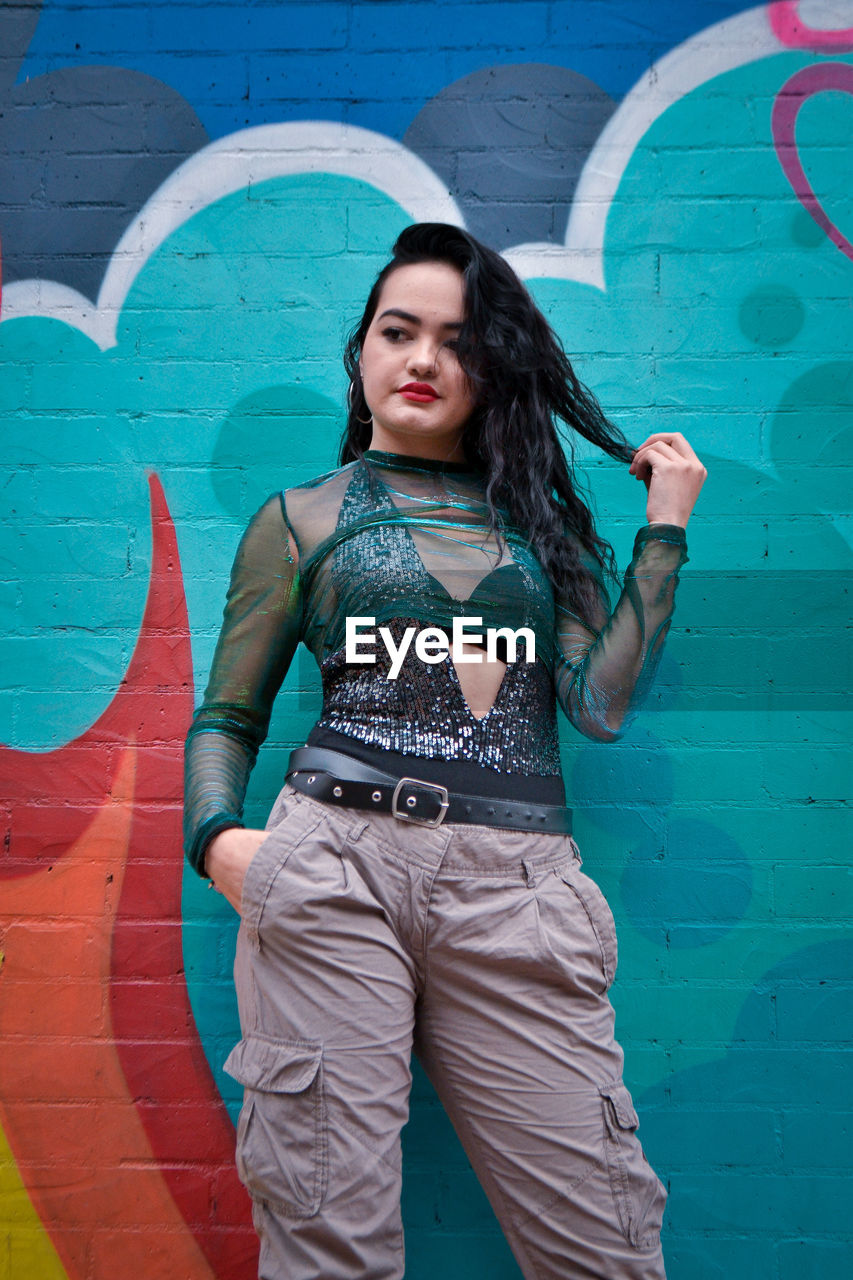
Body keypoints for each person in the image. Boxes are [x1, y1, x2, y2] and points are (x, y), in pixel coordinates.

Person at [183, 222, 706, 1280]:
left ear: (492, 372)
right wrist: (218, 843)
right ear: (361, 354)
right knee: (331, 1240)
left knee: (602, 1242)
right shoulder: (298, 519)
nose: (423, 360)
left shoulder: (538, 530)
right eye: (398, 331)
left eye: (457, 341)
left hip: (518, 894)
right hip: (330, 872)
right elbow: (227, 718)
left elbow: (595, 707)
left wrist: (663, 529)